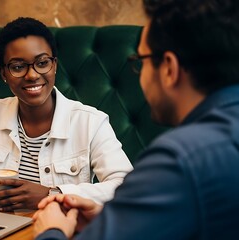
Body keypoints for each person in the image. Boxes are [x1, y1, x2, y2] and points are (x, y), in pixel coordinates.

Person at [33, 0, 239, 239]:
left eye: (140, 61)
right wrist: (112, 219)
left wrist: (51, 231)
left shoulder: (179, 161)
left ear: (169, 69)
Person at [0, 17, 133, 211]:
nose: (32, 75)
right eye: (17, 67)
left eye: (42, 63)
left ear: (54, 65)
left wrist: (52, 194)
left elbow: (127, 186)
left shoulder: (91, 122)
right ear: (3, 74)